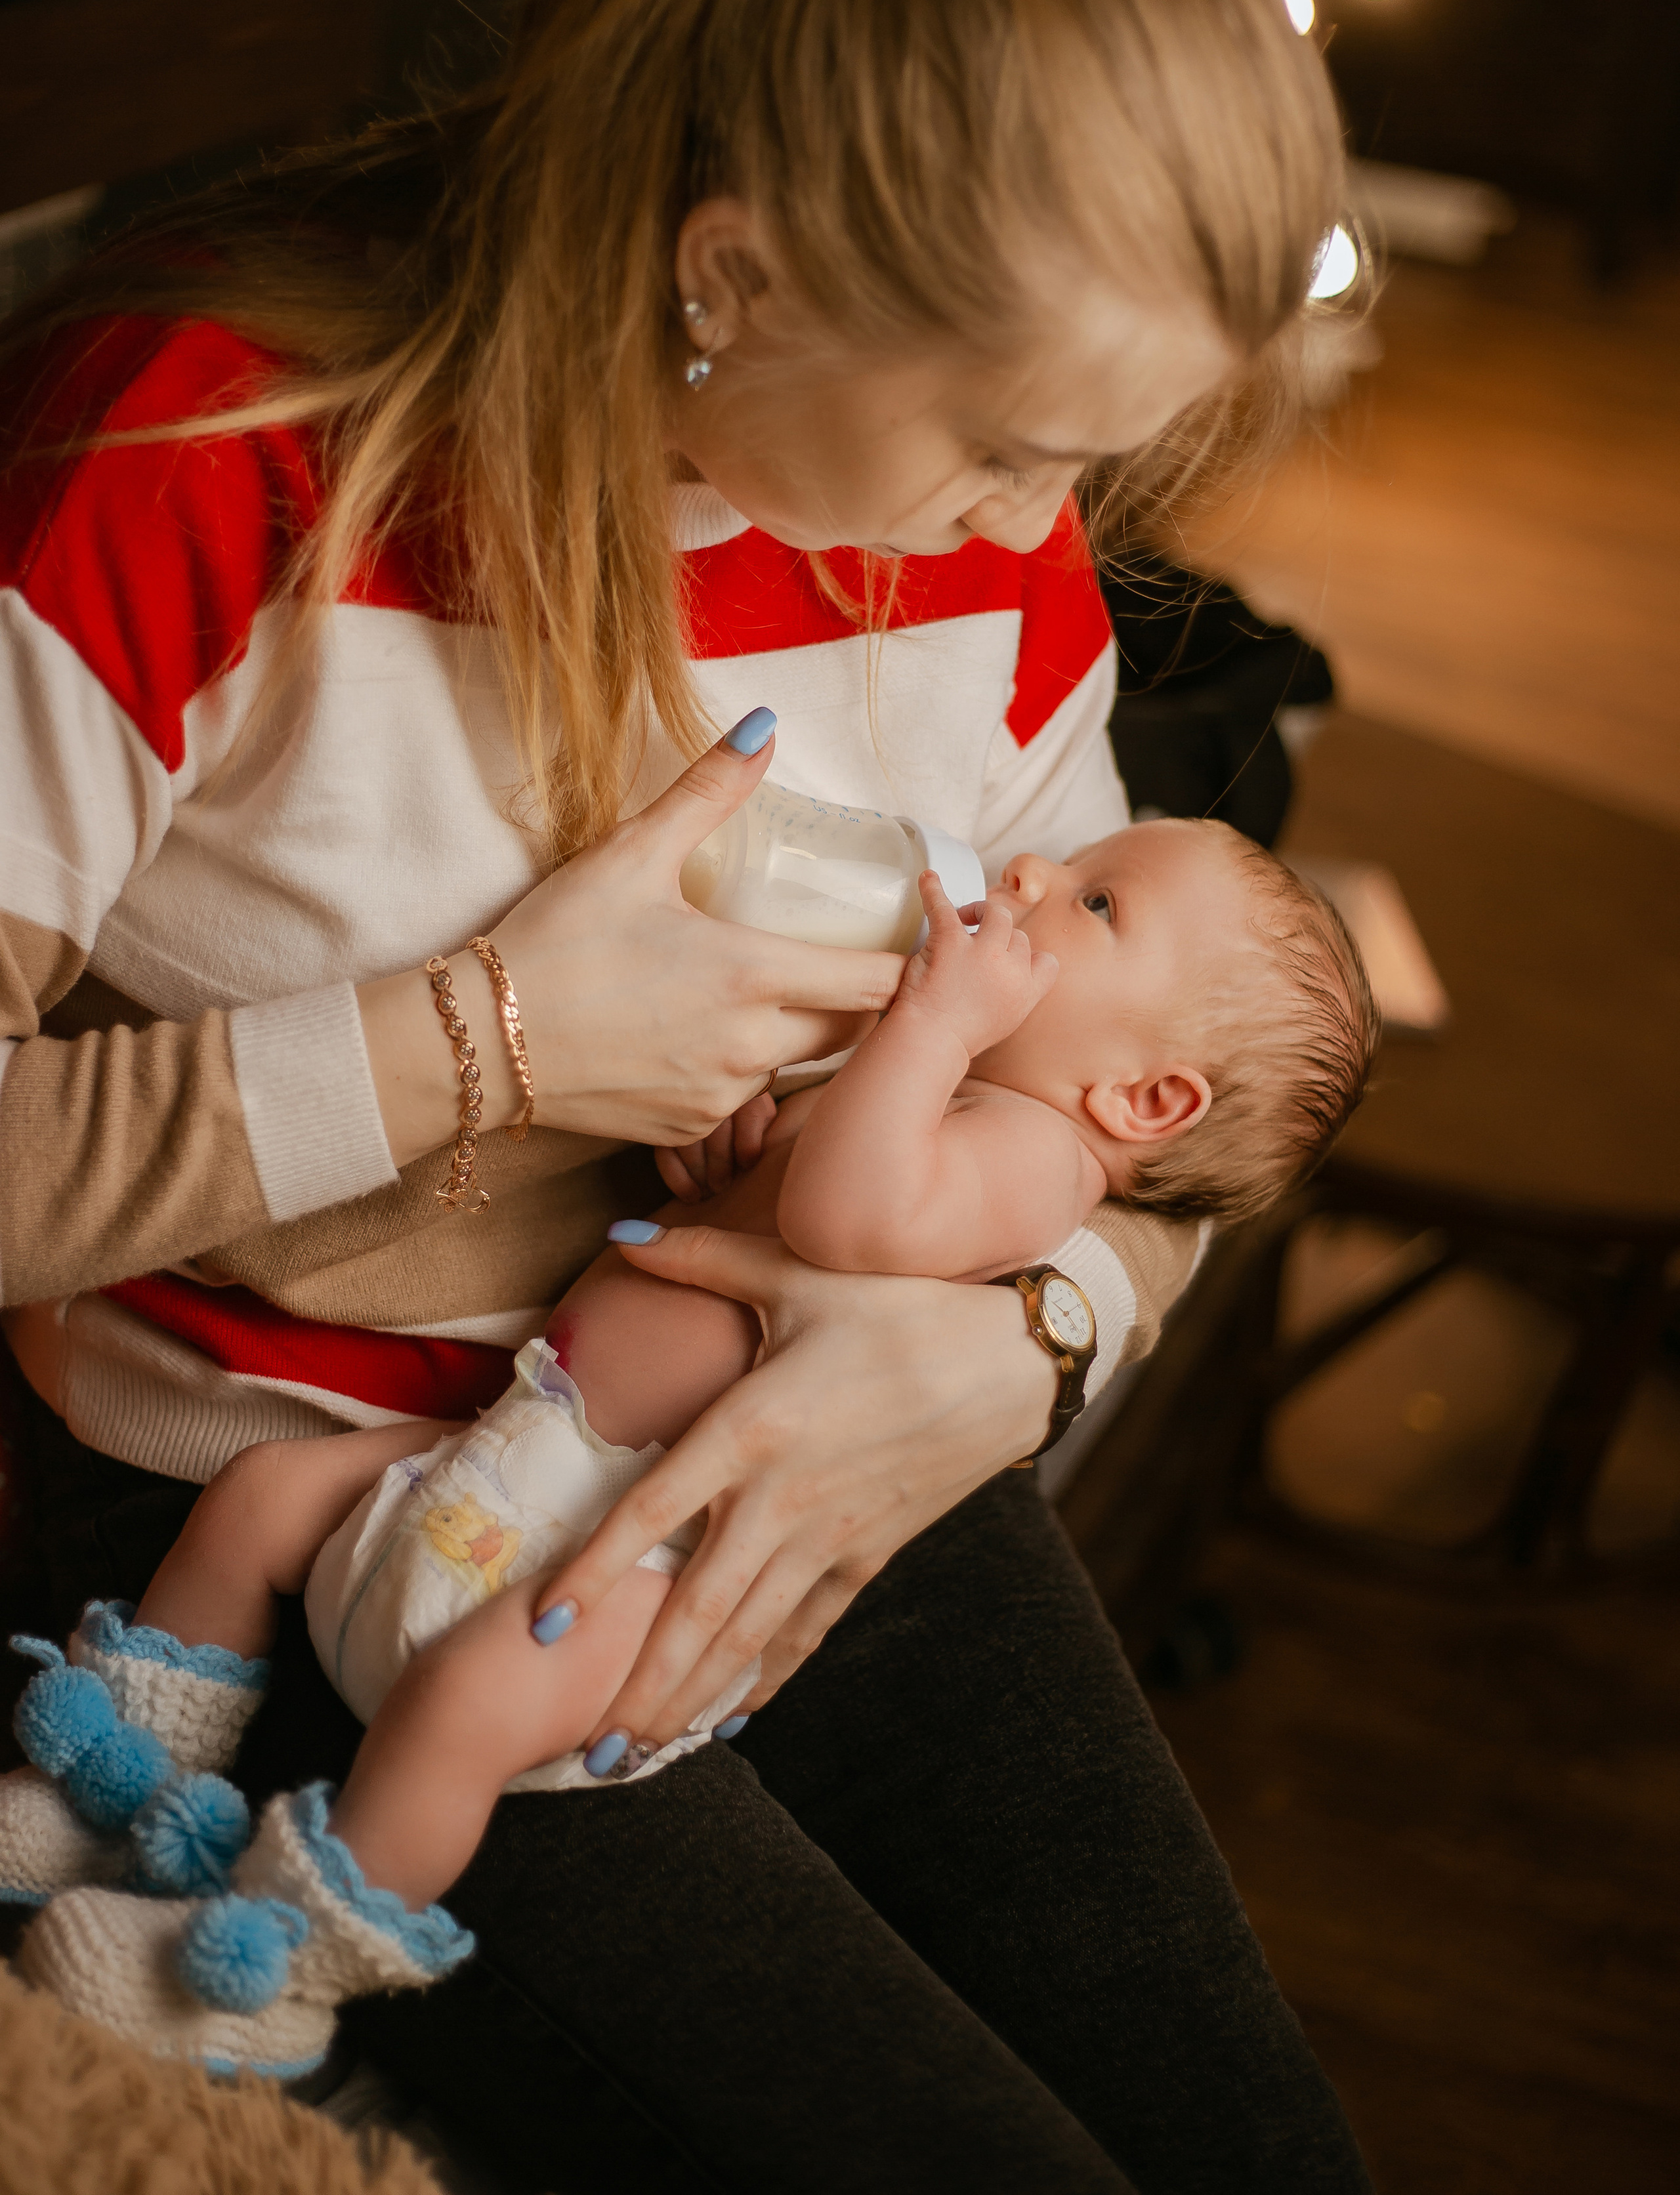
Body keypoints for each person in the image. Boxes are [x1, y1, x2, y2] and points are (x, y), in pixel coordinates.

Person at [0, 0, 1373, 2192]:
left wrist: (1021, 1345)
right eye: (1009, 444)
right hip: (303, 1518)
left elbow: (1143, 1103)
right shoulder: (201, 461)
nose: (1042, 528)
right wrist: (487, 1039)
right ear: (733, 270)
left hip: (795, 1433)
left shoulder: (981, 557)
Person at [7, 823, 1377, 2073]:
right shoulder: (963, 1095)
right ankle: (122, 1781)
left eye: (1095, 902)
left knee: (465, 1705)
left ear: (1146, 1104)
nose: (1027, 873)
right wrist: (735, 1158)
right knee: (263, 1494)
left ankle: (277, 1971)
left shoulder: (1034, 1157)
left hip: (631, 1547)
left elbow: (850, 1214)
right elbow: (809, 1189)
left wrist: (931, 1023)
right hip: (521, 1446)